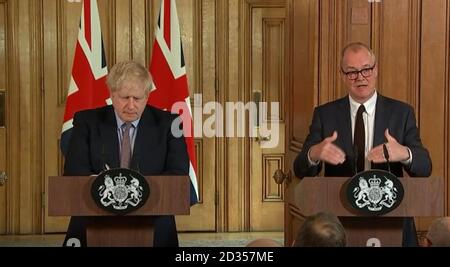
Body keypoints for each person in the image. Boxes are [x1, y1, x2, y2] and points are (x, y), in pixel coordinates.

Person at [293, 42, 432, 246]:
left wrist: (404, 153)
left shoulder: (402, 113)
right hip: (339, 223)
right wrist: (313, 153)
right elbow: (299, 169)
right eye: (352, 72)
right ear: (342, 75)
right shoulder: (325, 114)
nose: (360, 77)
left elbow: (425, 167)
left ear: (375, 70)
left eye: (366, 69)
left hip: (392, 218)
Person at [63, 60, 189, 247]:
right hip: (94, 214)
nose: (131, 105)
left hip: (153, 215)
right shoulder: (87, 122)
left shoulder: (169, 124)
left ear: (147, 96)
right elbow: (74, 172)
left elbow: (178, 174)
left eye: (137, 98)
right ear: (112, 95)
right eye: (124, 97)